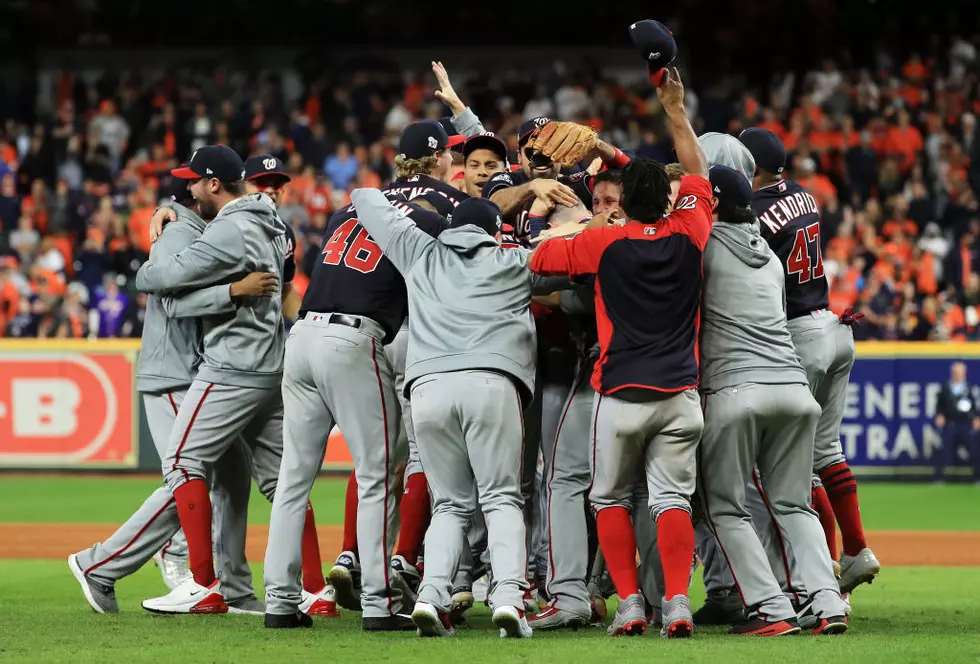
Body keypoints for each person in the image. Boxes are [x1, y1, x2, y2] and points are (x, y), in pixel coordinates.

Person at [528, 67, 708, 639]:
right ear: (672, 201)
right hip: (680, 394)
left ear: (625, 201)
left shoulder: (602, 239)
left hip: (619, 391)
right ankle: (676, 601)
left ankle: (629, 602)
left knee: (607, 498)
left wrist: (549, 219)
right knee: (671, 501)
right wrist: (675, 112)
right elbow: (697, 171)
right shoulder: (692, 231)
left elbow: (537, 263)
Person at [348, 189, 570, 639]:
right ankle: (509, 598)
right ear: (494, 232)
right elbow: (573, 269)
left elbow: (364, 197)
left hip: (428, 390)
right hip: (491, 384)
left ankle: (430, 596)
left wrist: (417, 202)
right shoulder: (513, 260)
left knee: (448, 504)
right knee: (502, 498)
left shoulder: (419, 250)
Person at [67, 170, 277, 616]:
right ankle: (101, 564)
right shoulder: (179, 231)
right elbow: (166, 296)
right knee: (186, 477)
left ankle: (232, 588)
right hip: (176, 372)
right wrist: (233, 291)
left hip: (200, 371)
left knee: (231, 483)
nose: (203, 188)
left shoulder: (207, 228)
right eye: (198, 183)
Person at [263, 174, 447, 630]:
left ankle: (280, 602)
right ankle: (379, 603)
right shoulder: (427, 220)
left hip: (302, 334)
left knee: (293, 477)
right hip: (351, 337)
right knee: (380, 471)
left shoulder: (349, 211)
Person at [133, 146, 298, 616]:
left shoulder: (234, 227)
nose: (186, 189)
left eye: (194, 181)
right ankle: (306, 589)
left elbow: (159, 282)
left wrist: (154, 270)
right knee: (278, 480)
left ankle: (198, 581)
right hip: (266, 366)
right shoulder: (276, 229)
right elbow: (282, 288)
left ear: (214, 184)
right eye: (262, 183)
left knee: (185, 465)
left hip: (230, 367)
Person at [696, 164, 849, 636]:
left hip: (739, 389)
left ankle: (770, 607)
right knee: (794, 504)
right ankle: (827, 602)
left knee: (724, 506)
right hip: (796, 393)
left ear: (713, 203)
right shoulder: (771, 254)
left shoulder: (704, 248)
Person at [736, 127, 880, 595]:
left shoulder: (754, 211)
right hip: (835, 327)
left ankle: (820, 572)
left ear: (752, 166)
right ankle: (856, 550)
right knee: (826, 452)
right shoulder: (805, 195)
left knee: (789, 465)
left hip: (799, 332)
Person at [933, 362, 980, 481]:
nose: (958, 375)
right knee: (944, 452)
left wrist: (976, 418)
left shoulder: (968, 388)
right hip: (950, 424)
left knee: (974, 451)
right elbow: (940, 405)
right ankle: (939, 478)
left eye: (960, 373)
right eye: (956, 372)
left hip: (965, 425)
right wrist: (940, 415)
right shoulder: (945, 388)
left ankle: (977, 477)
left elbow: (973, 406)